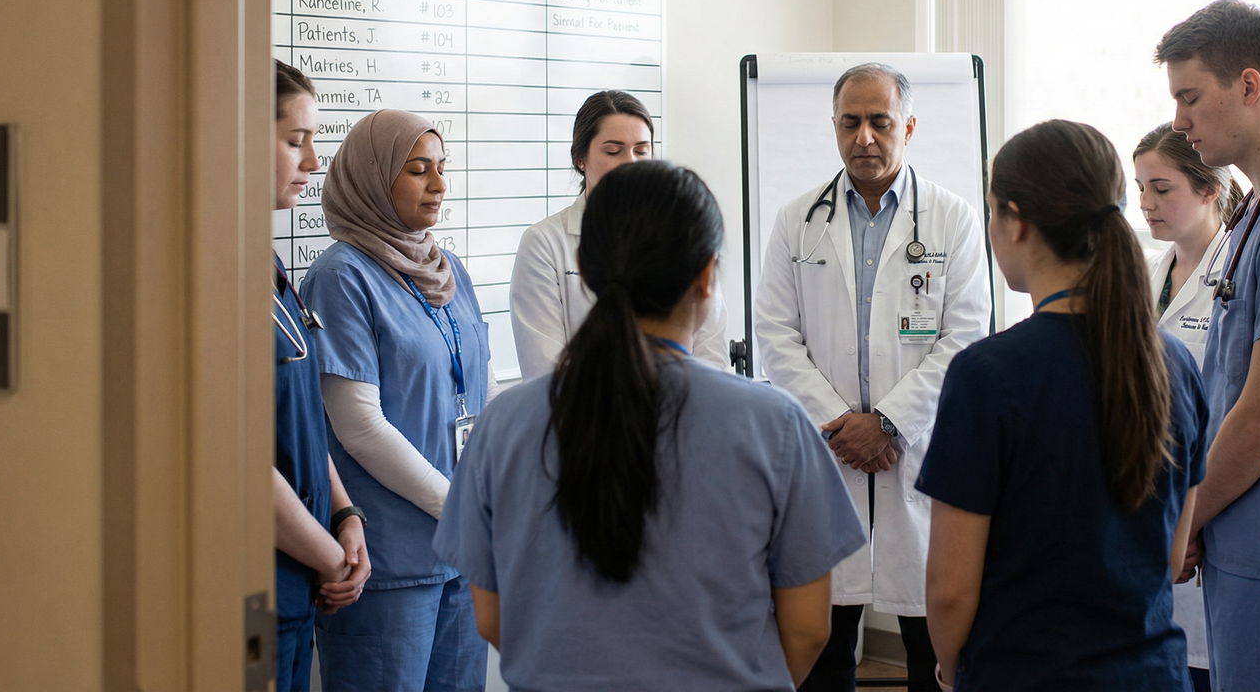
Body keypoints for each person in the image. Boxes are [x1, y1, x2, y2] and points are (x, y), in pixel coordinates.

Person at [434, 160, 865, 691]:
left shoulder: (504, 424)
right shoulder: (773, 424)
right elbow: (806, 631)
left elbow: (493, 619)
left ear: (587, 274)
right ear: (707, 276)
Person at [918, 120, 1208, 691]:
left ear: (1016, 220)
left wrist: (951, 674)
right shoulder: (1174, 364)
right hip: (1151, 674)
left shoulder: (988, 375)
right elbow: (1173, 558)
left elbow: (951, 590)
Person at [755, 63, 991, 692]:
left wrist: (887, 422)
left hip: (915, 457)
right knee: (824, 646)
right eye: (850, 122)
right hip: (830, 458)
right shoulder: (796, 220)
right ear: (834, 127)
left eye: (879, 122)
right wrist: (842, 427)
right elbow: (776, 337)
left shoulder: (953, 219)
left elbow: (966, 337)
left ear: (907, 127)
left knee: (931, 646)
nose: (864, 137)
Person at [302, 108, 491, 692]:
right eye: (416, 170)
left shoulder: (448, 268)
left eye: (441, 168)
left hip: (462, 549)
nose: (437, 184)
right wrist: (457, 507)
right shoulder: (342, 276)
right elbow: (357, 424)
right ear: (372, 179)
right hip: (390, 558)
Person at [1155, 0, 1260, 692]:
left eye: (1190, 97)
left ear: (1249, 85)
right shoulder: (1255, 216)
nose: (1179, 121)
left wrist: (1186, 516)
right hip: (1240, 537)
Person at [511, 90, 729, 378]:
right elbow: (545, 371)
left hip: (685, 409)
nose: (631, 163)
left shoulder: (682, 231)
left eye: (641, 150)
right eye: (613, 151)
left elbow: (711, 352)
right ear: (581, 159)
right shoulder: (544, 243)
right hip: (582, 416)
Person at [1134, 121, 1244, 692]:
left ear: (1208, 190)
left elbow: (1233, 411)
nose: (1146, 204)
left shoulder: (1237, 274)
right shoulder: (1146, 276)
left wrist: (1193, 517)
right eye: (1140, 189)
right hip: (1150, 508)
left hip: (1213, 513)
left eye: (1162, 188)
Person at [270, 60, 370, 692]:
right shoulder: (209, 270)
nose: (313, 164)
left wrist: (345, 515)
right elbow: (233, 461)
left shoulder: (270, 266)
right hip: (260, 585)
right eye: (293, 141)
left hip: (302, 575)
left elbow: (302, 411)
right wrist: (331, 558)